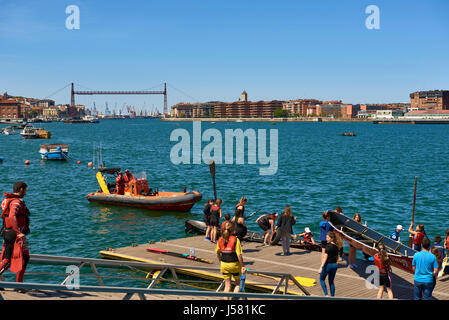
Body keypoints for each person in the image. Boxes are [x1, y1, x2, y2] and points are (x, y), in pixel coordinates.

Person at [0, 181, 31, 288]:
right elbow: (12, 216)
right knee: (25, 257)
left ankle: (18, 285)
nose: (26, 193)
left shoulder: (6, 201)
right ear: (21, 189)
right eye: (25, 190)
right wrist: (19, 233)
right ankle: (19, 285)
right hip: (15, 235)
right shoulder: (16, 202)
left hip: (7, 233)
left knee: (6, 259)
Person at [215, 221, 245, 300]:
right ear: (233, 230)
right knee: (238, 284)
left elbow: (217, 253)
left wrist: (220, 260)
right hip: (234, 265)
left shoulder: (220, 239)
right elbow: (239, 255)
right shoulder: (235, 240)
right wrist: (243, 266)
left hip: (224, 264)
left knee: (227, 285)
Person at [318, 231, 339, 297]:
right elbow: (337, 257)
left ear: (332, 238)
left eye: (328, 237)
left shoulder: (328, 247)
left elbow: (325, 258)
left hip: (328, 265)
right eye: (326, 237)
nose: (326, 239)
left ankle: (326, 295)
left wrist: (321, 267)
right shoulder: (336, 246)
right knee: (331, 282)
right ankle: (332, 297)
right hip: (334, 265)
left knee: (321, 279)